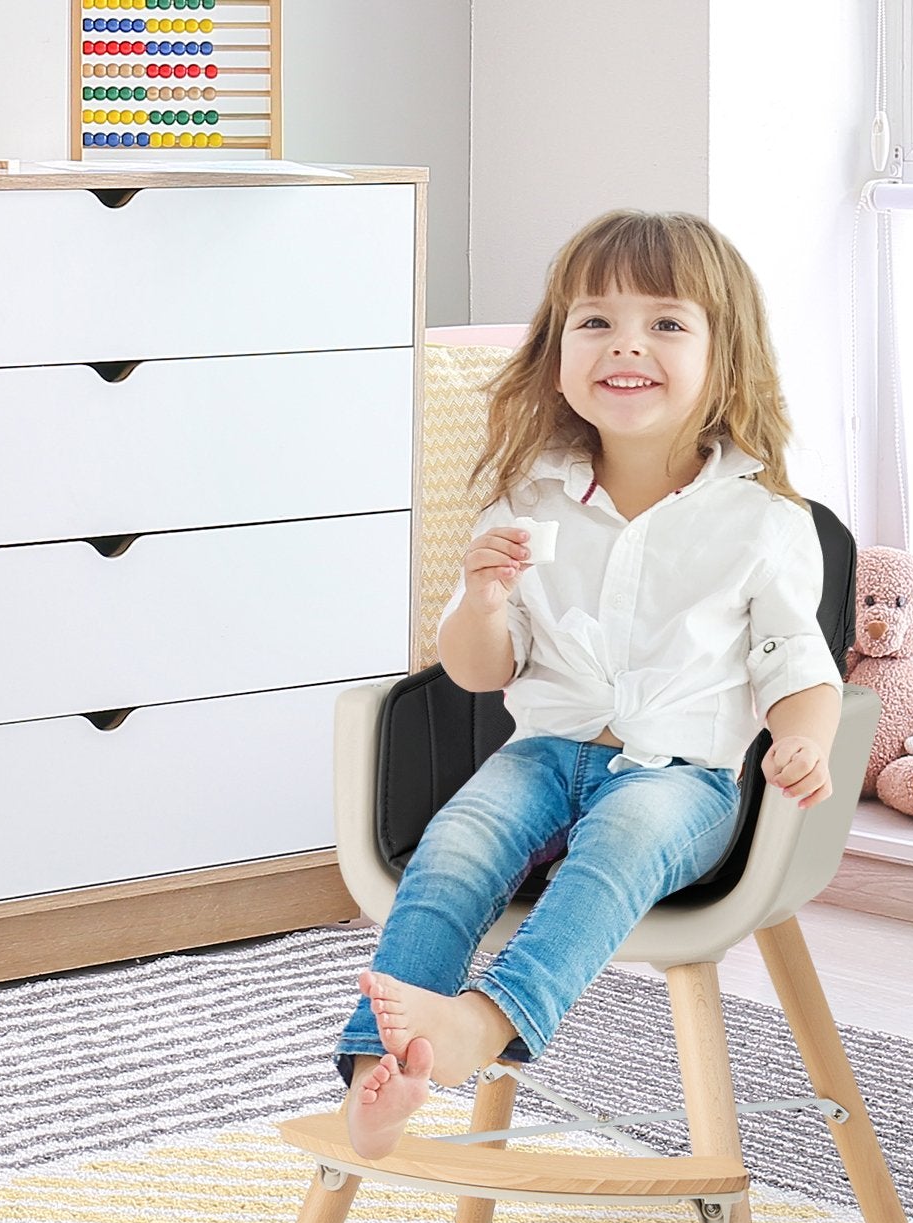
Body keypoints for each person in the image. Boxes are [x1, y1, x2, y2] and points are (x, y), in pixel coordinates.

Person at [335, 208, 844, 1160]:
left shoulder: (762, 520)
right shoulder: (527, 498)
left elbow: (798, 667)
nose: (627, 346)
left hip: (679, 781)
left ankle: (481, 1027)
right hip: (544, 753)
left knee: (615, 846)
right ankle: (381, 1069)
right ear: (557, 350)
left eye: (666, 323)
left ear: (723, 355)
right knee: (456, 848)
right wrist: (484, 601)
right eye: (596, 321)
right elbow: (481, 673)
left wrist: (805, 739)